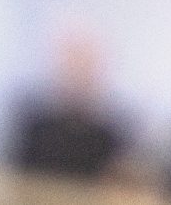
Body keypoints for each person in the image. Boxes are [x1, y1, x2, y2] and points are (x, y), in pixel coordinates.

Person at [11, 34, 135, 180]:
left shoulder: (111, 134)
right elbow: (18, 177)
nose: (78, 72)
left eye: (86, 65)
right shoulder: (35, 125)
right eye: (73, 62)